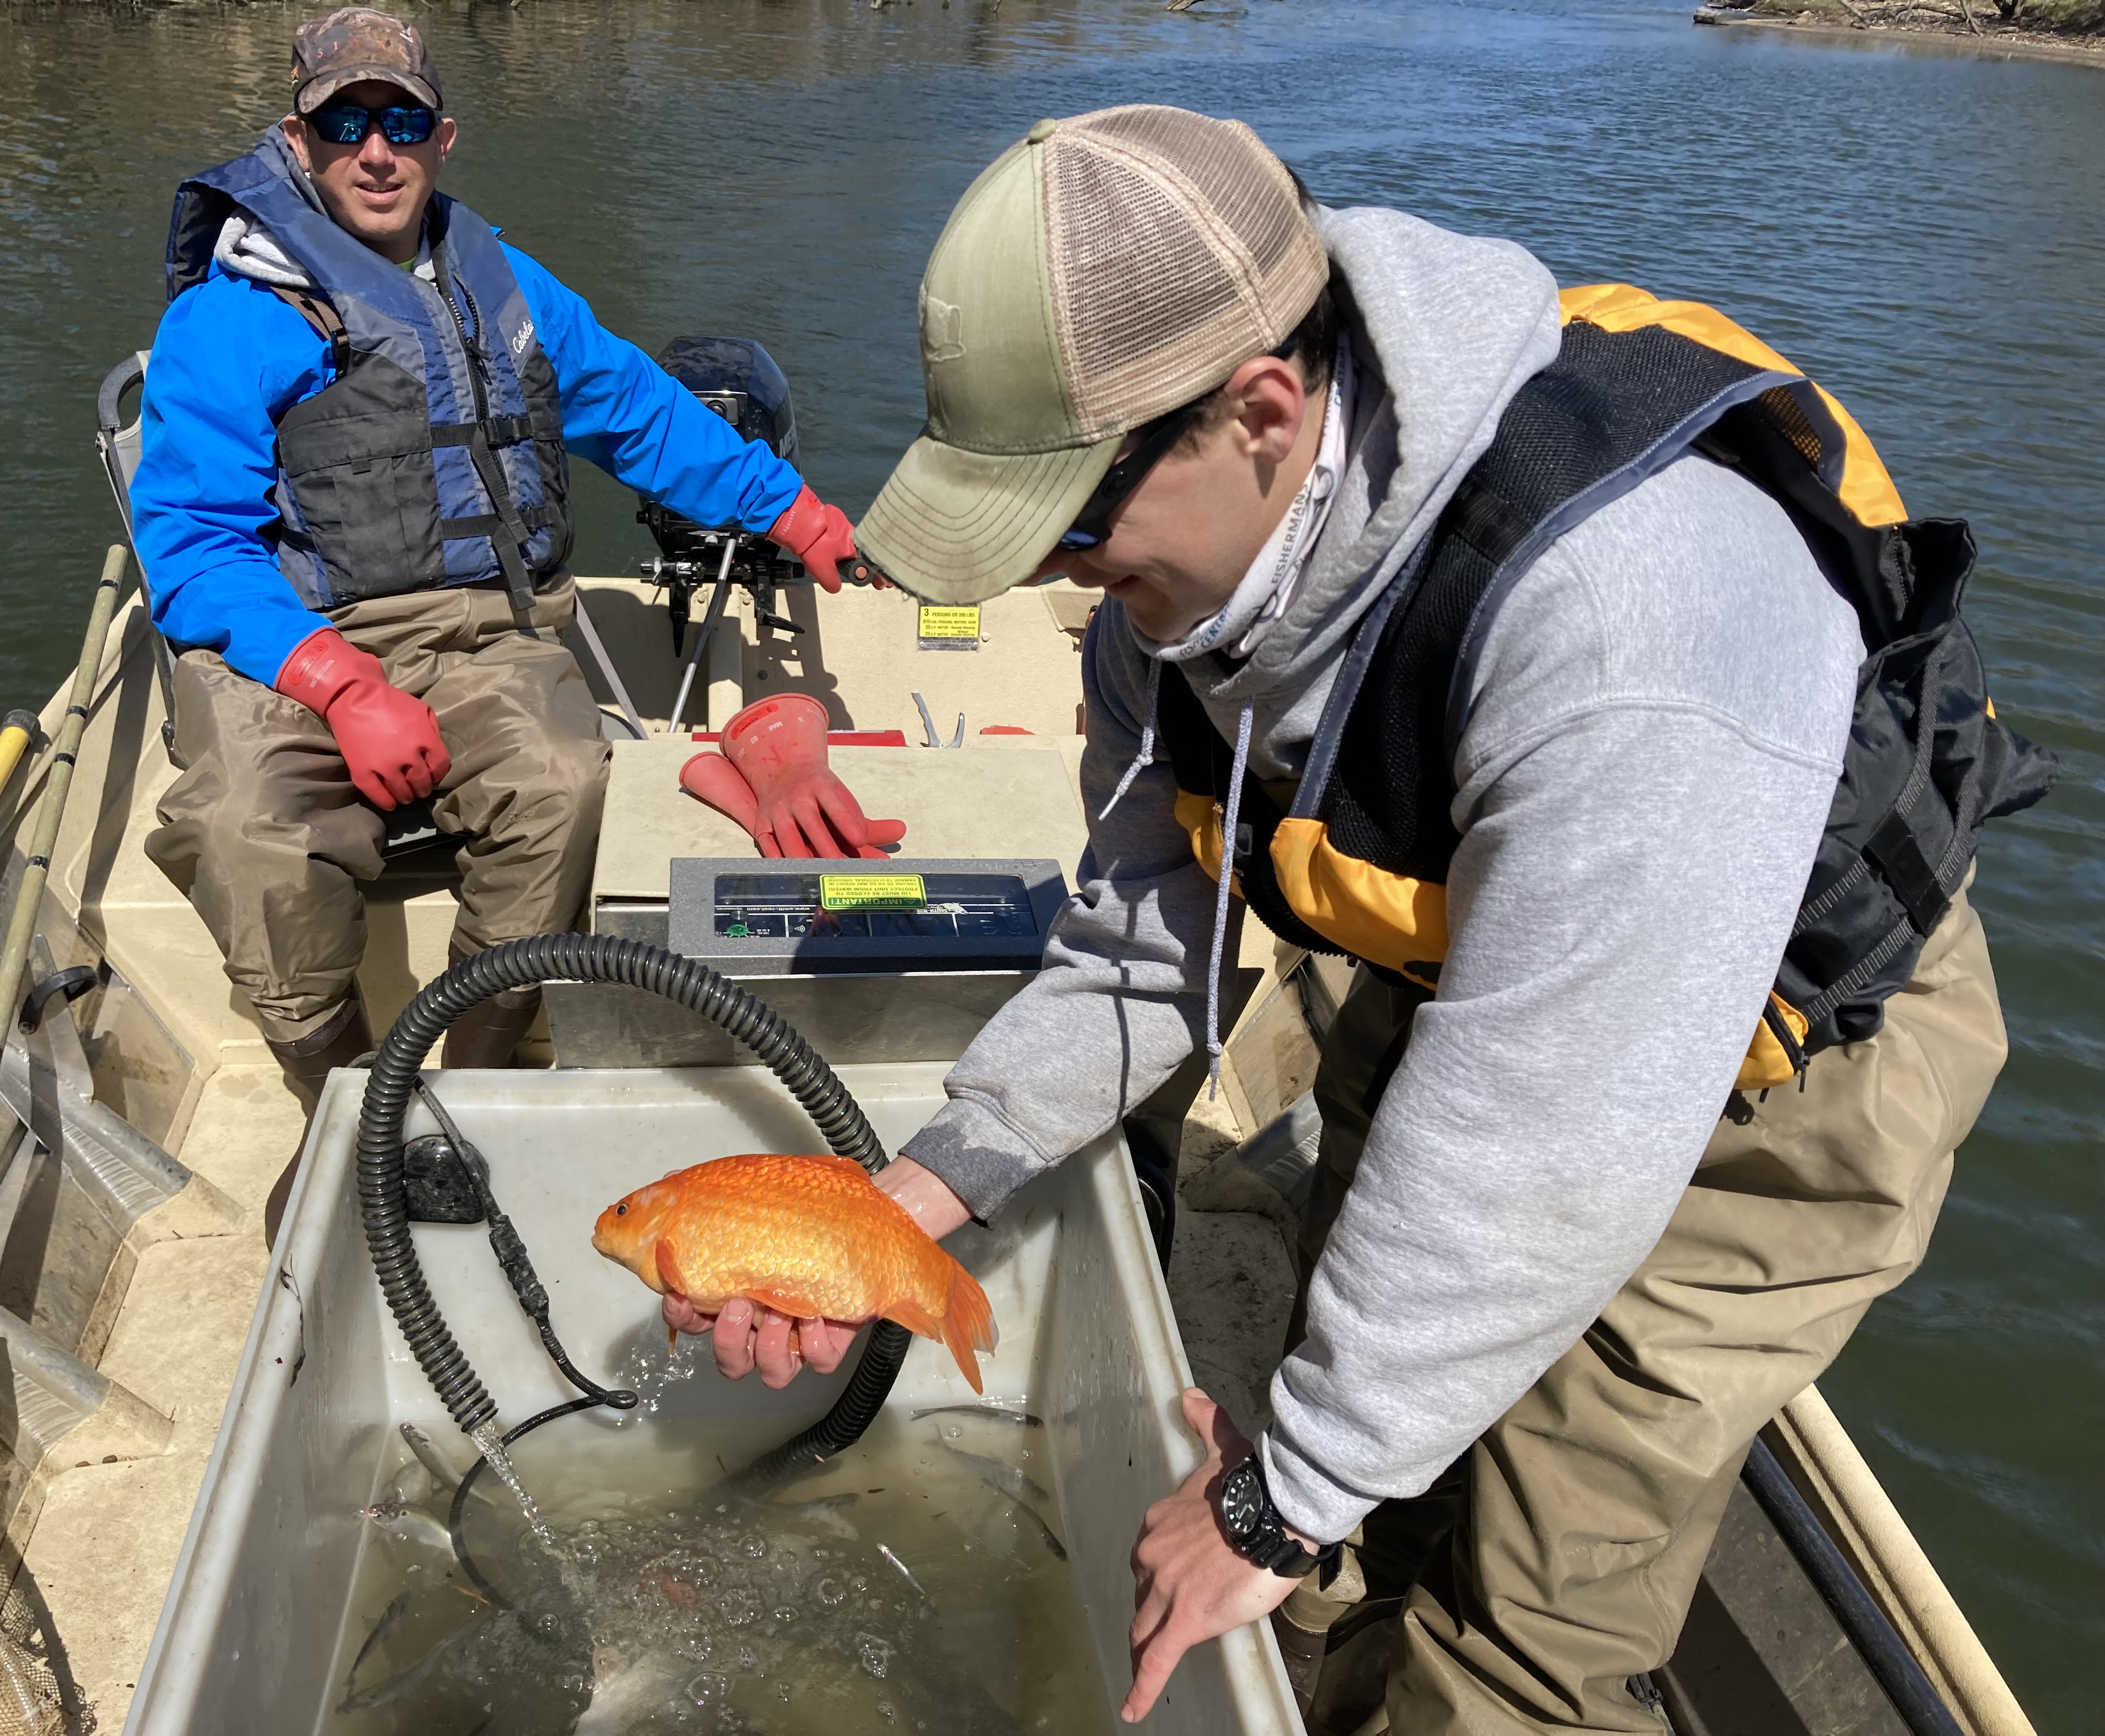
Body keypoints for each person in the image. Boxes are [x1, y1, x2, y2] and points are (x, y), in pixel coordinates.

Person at [666, 106, 2054, 1731]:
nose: (1048, 568)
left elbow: (1550, 1145)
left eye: (1071, 519)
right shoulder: (1173, 609)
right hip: (1473, 963)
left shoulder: (1631, 629)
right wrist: (914, 1200)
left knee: (1527, 1594)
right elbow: (1139, 947)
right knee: (1369, 1435)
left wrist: (1277, 1499)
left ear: (1259, 411)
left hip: (1766, 1076)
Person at [129, 8, 864, 1241]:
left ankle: (460, 1096)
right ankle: (347, 1106)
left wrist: (789, 508)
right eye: (345, 124)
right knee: (244, 831)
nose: (376, 150)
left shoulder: (503, 280)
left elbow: (638, 410)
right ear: (300, 140)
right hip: (287, 635)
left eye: (401, 122)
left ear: (442, 136)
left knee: (563, 778)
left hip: (483, 631)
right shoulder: (234, 311)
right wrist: (342, 686)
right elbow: (194, 555)